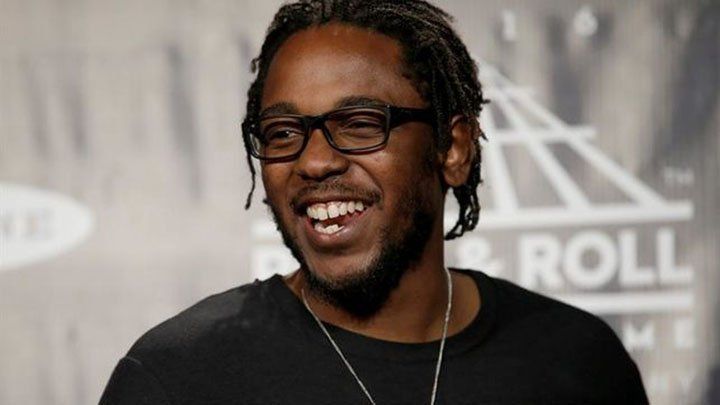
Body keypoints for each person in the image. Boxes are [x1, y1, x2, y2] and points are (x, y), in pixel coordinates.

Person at [100, 1, 648, 404]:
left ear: (453, 148)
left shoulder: (579, 362)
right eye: (283, 133)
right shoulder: (177, 379)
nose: (315, 162)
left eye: (360, 124)